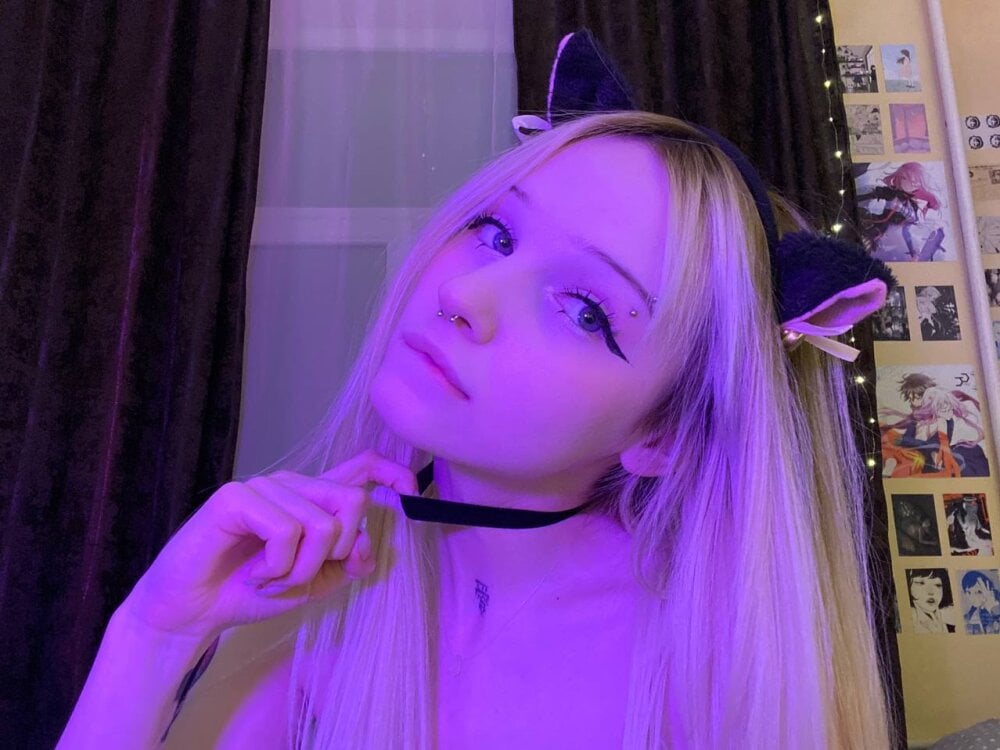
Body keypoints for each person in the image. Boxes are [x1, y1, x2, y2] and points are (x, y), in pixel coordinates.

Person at [59, 32, 895, 750]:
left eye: (584, 309)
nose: (464, 294)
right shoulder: (317, 594)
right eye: (494, 231)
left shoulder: (716, 679)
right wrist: (153, 634)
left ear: (664, 435)